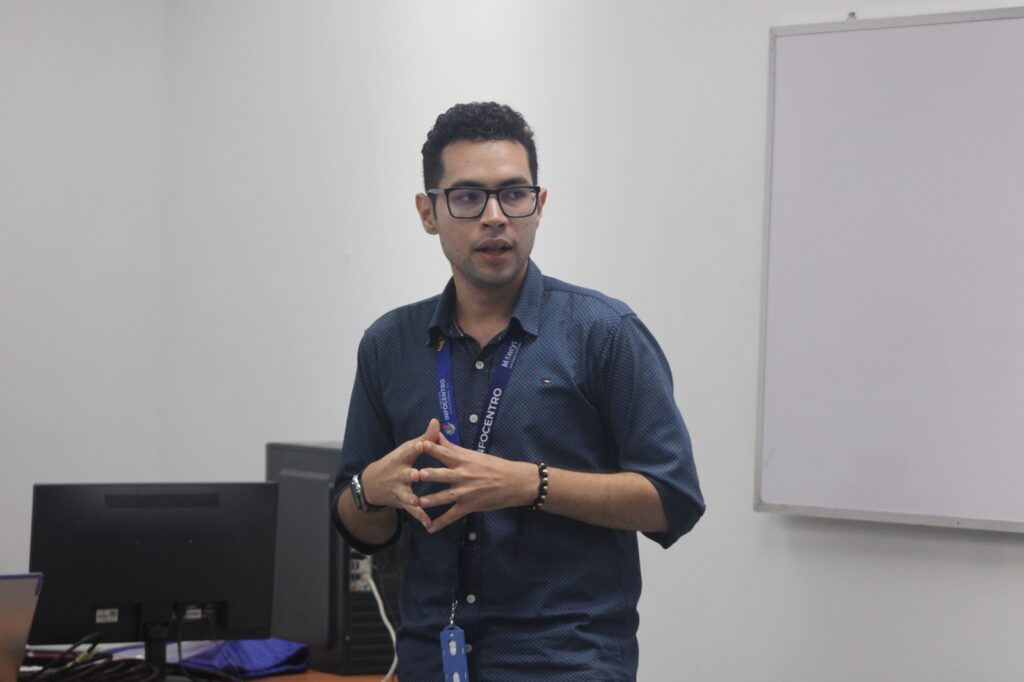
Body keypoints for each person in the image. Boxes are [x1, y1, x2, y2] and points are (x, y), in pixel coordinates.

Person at [332, 102, 704, 681]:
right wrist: (371, 490)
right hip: (432, 663)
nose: (495, 217)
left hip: (564, 663)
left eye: (513, 194)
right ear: (428, 212)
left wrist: (530, 484)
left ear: (540, 204)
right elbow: (362, 524)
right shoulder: (388, 345)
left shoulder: (604, 333)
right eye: (467, 197)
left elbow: (673, 499)